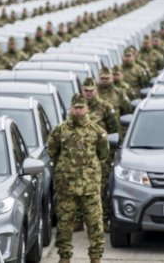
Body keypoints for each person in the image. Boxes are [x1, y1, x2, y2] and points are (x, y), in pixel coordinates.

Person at [48, 94, 109, 263]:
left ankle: (96, 257)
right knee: (65, 223)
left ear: (87, 108)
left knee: (95, 224)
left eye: (81, 107)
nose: (79, 111)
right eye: (76, 107)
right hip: (67, 186)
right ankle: (65, 256)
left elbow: (103, 155)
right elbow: (52, 151)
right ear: (70, 109)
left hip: (90, 187)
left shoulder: (97, 132)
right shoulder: (60, 130)